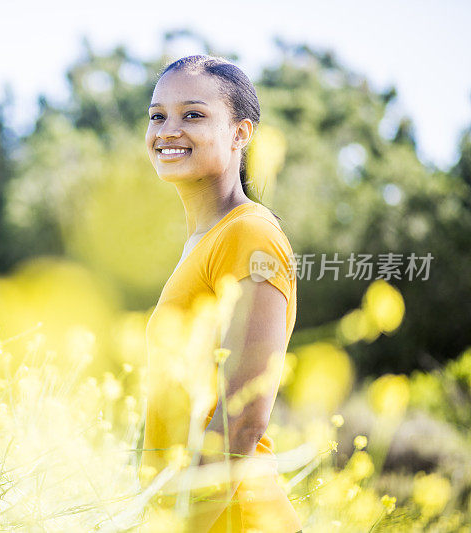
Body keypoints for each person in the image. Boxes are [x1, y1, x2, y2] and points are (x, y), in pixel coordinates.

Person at [138, 55, 304, 533]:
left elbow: (244, 417)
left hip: (233, 519)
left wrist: (183, 525)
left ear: (241, 133)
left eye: (193, 115)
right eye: (157, 116)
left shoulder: (249, 234)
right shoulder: (205, 242)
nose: (168, 130)